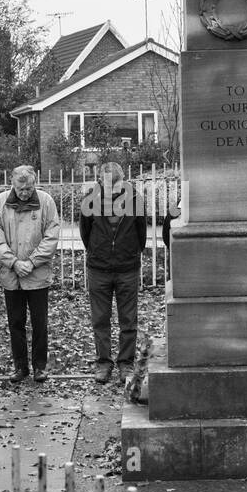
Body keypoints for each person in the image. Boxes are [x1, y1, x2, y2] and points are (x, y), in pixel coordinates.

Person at [0, 165, 60, 383]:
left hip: (37, 275)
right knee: (15, 323)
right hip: (12, 276)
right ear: (13, 183)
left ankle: (40, 367)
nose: (25, 192)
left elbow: (52, 235)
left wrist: (32, 261)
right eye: (21, 189)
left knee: (40, 323)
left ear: (34, 183)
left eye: (28, 188)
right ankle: (20, 367)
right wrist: (14, 262)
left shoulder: (46, 201)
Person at [81, 162, 147, 384]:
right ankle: (103, 362)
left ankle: (125, 363)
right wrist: (98, 251)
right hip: (99, 268)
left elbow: (141, 233)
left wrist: (128, 253)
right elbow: (85, 232)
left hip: (127, 268)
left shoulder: (135, 199)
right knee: (100, 319)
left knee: (128, 319)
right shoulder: (90, 199)